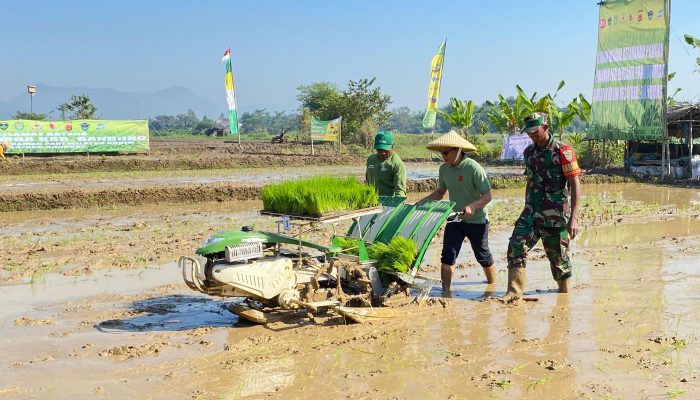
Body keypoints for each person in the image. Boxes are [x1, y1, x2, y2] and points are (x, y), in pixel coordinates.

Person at [505, 112, 581, 298]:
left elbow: (574, 184)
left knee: (558, 259)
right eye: (529, 132)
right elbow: (530, 181)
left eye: (535, 131)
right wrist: (526, 207)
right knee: (516, 246)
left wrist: (573, 218)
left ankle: (564, 297)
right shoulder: (529, 152)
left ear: (545, 128)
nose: (532, 135)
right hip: (532, 210)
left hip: (555, 213)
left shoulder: (563, 151)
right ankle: (514, 294)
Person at [419, 130, 497, 294]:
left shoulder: (474, 168)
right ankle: (446, 292)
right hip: (455, 219)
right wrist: (421, 202)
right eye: (442, 153)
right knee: (447, 256)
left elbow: (488, 195)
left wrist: (473, 206)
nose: (444, 156)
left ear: (458, 150)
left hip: (477, 221)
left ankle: (492, 286)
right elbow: (440, 192)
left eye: (446, 152)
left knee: (483, 256)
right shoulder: (444, 169)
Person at [365, 130, 407, 197]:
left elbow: (400, 190)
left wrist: (397, 202)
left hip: (389, 202)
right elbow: (367, 181)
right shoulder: (371, 160)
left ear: (392, 146)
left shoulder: (397, 164)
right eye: (379, 149)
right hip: (372, 200)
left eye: (385, 150)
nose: (382, 153)